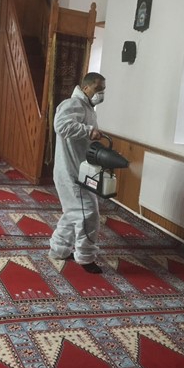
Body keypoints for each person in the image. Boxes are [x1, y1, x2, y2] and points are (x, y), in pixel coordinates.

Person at [49, 72, 106, 273]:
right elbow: (61, 126)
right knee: (88, 213)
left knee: (73, 212)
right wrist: (89, 131)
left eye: (103, 90)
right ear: (85, 88)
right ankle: (85, 257)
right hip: (70, 172)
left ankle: (59, 249)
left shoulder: (87, 107)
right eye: (98, 89)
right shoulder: (73, 104)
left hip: (81, 170)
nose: (101, 93)